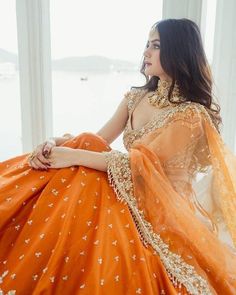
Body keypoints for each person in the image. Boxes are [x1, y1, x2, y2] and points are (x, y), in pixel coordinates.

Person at [0, 18, 236, 295]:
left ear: (179, 51)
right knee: (85, 145)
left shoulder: (191, 114)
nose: (146, 52)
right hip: (130, 188)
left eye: (156, 46)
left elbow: (141, 166)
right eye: (147, 45)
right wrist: (54, 143)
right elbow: (99, 139)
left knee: (81, 160)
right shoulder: (136, 98)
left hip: (164, 207)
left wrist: (72, 155)